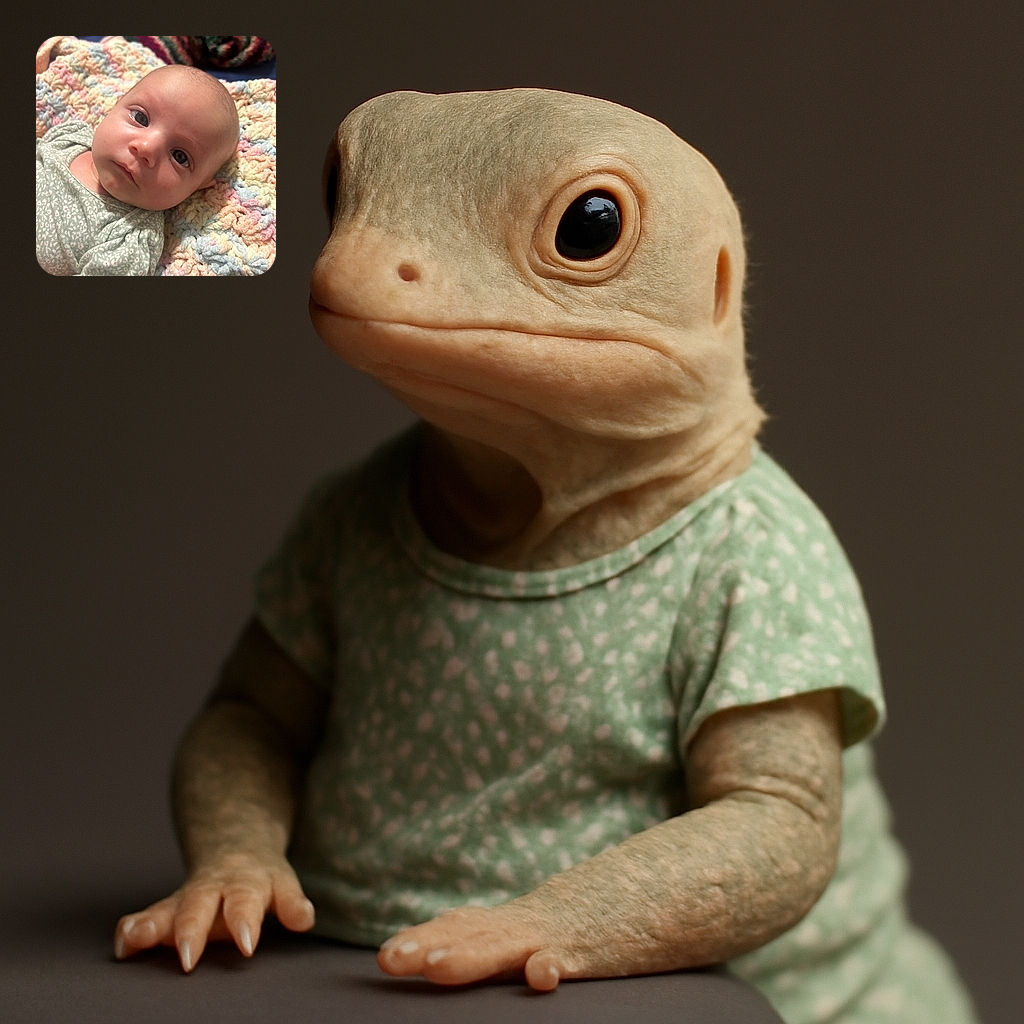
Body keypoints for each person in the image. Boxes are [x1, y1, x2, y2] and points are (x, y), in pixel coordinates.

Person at [35, 63, 239, 276]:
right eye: (140, 118)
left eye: (180, 156)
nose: (146, 148)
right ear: (116, 104)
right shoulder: (71, 137)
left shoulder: (131, 239)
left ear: (198, 187)